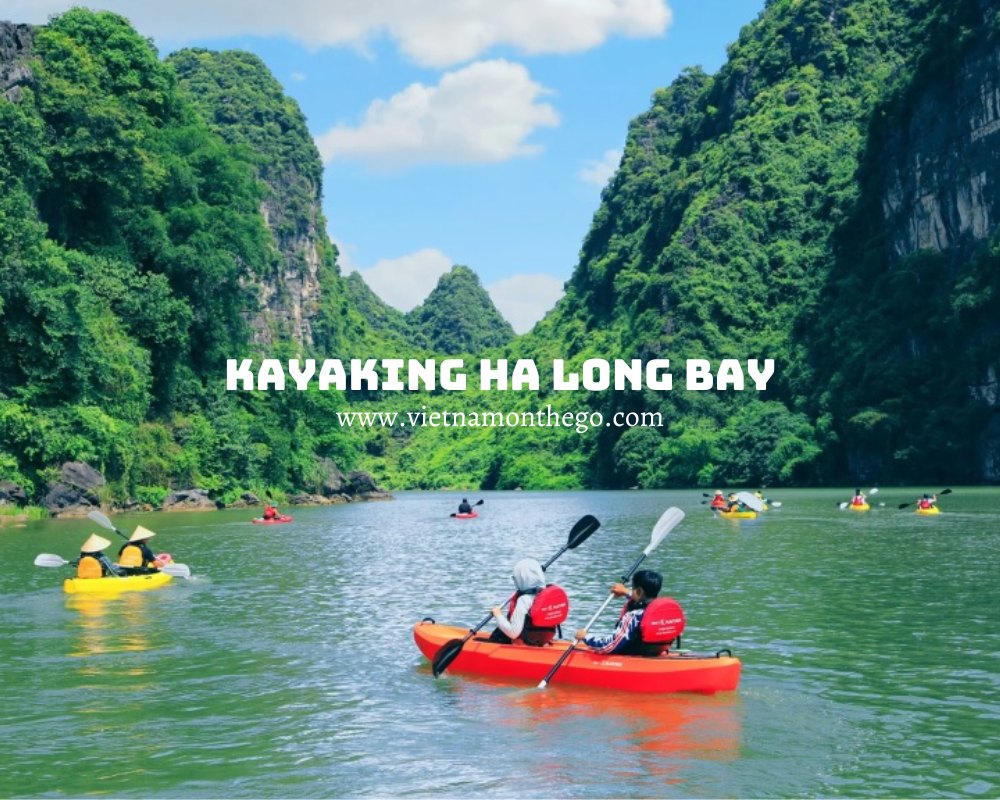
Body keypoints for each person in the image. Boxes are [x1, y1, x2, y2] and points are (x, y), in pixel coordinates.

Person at [575, 569, 684, 657]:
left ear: (639, 591)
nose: (631, 590)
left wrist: (586, 637)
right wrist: (625, 592)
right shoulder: (662, 611)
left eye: (633, 588)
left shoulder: (633, 616)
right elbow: (642, 598)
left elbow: (609, 646)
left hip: (633, 655)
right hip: (655, 652)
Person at [489, 558, 569, 646]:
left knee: (497, 636)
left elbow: (513, 633)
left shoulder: (524, 600)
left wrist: (498, 615)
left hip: (524, 643)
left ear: (521, 578)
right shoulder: (547, 596)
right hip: (543, 640)